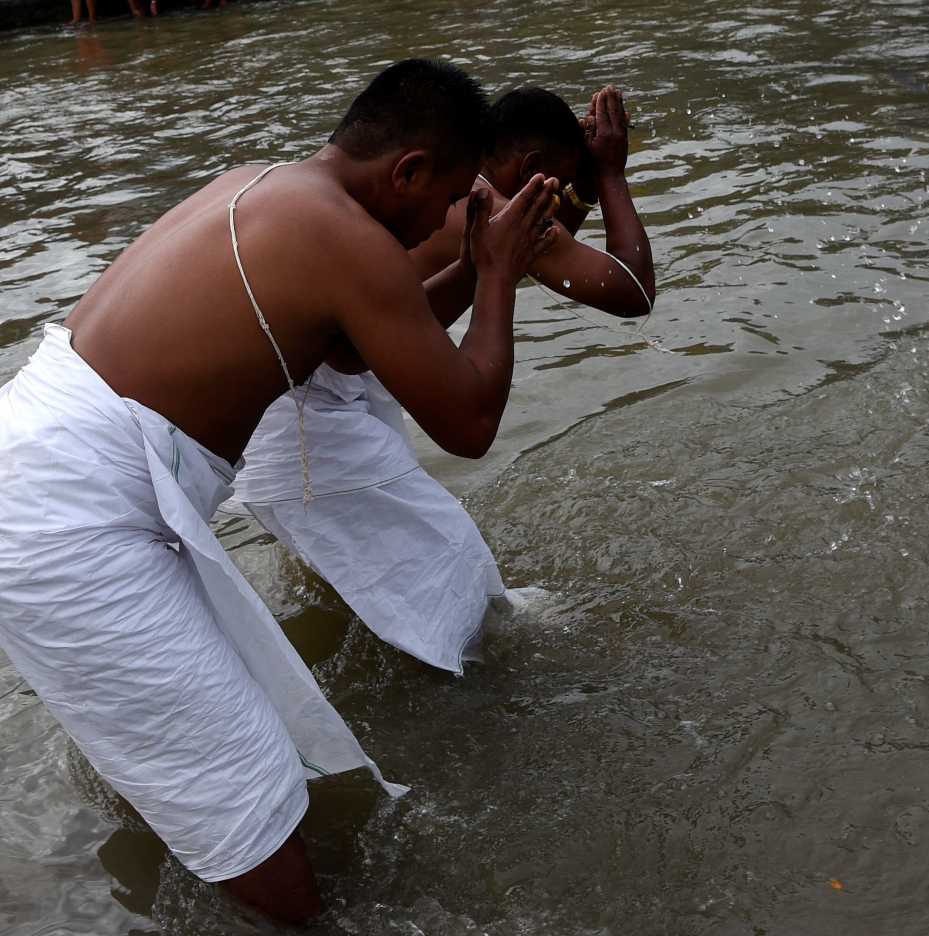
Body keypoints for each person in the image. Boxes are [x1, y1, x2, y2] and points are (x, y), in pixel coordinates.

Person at [0, 59, 558, 923]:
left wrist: (482, 269)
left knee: (219, 752)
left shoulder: (268, 186)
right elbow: (471, 423)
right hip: (64, 514)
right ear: (407, 171)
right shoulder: (351, 239)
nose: (445, 221)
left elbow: (345, 352)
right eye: (448, 197)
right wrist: (494, 272)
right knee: (246, 790)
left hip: (45, 465)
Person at [233, 84, 654, 674]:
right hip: (311, 427)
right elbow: (632, 292)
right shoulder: (482, 204)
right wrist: (610, 175)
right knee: (470, 606)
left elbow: (371, 341)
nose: (555, 203)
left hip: (302, 400)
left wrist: (572, 191)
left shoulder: (404, 190)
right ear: (530, 170)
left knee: (361, 596)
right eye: (554, 186)